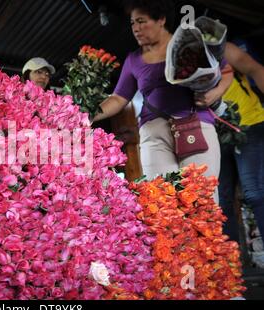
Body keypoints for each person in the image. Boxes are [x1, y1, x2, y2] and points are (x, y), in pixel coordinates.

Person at [92, 0, 233, 189]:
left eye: (141, 21)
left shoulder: (189, 43)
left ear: (161, 20)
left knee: (200, 199)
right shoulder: (133, 60)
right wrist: (88, 114)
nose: (136, 28)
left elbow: (226, 71)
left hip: (195, 125)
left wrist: (215, 93)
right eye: (133, 23)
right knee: (161, 201)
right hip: (154, 134)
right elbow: (119, 98)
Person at [218, 42, 264, 244]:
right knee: (221, 201)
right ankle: (232, 268)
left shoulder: (222, 48)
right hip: (215, 134)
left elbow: (256, 69)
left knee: (254, 193)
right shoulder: (178, 60)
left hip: (249, 124)